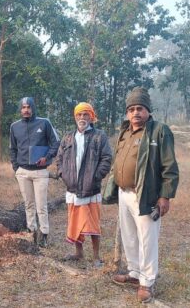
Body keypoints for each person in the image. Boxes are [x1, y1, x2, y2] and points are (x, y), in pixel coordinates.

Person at [110, 87, 179, 303]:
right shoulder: (125, 132)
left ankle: (147, 282)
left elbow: (169, 166)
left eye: (139, 108)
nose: (135, 113)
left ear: (148, 110)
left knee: (147, 239)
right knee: (129, 235)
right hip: (124, 193)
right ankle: (134, 273)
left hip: (146, 195)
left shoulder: (159, 131)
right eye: (131, 109)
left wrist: (165, 196)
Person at [55, 102, 112, 267]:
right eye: (79, 115)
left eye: (85, 115)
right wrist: (62, 174)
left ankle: (96, 257)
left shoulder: (99, 136)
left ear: (91, 117)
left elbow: (106, 158)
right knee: (75, 222)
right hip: (72, 188)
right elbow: (59, 159)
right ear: (75, 117)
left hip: (91, 188)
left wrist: (96, 176)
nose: (82, 118)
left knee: (93, 223)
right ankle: (78, 253)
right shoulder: (68, 137)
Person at [9, 97, 60, 247]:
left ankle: (44, 234)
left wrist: (47, 157)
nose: (26, 110)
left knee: (41, 205)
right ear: (20, 110)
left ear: (33, 108)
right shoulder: (14, 126)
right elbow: (12, 148)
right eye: (23, 107)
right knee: (28, 204)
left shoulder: (44, 123)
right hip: (23, 172)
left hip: (40, 172)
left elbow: (56, 143)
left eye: (28, 107)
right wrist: (16, 168)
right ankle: (32, 231)